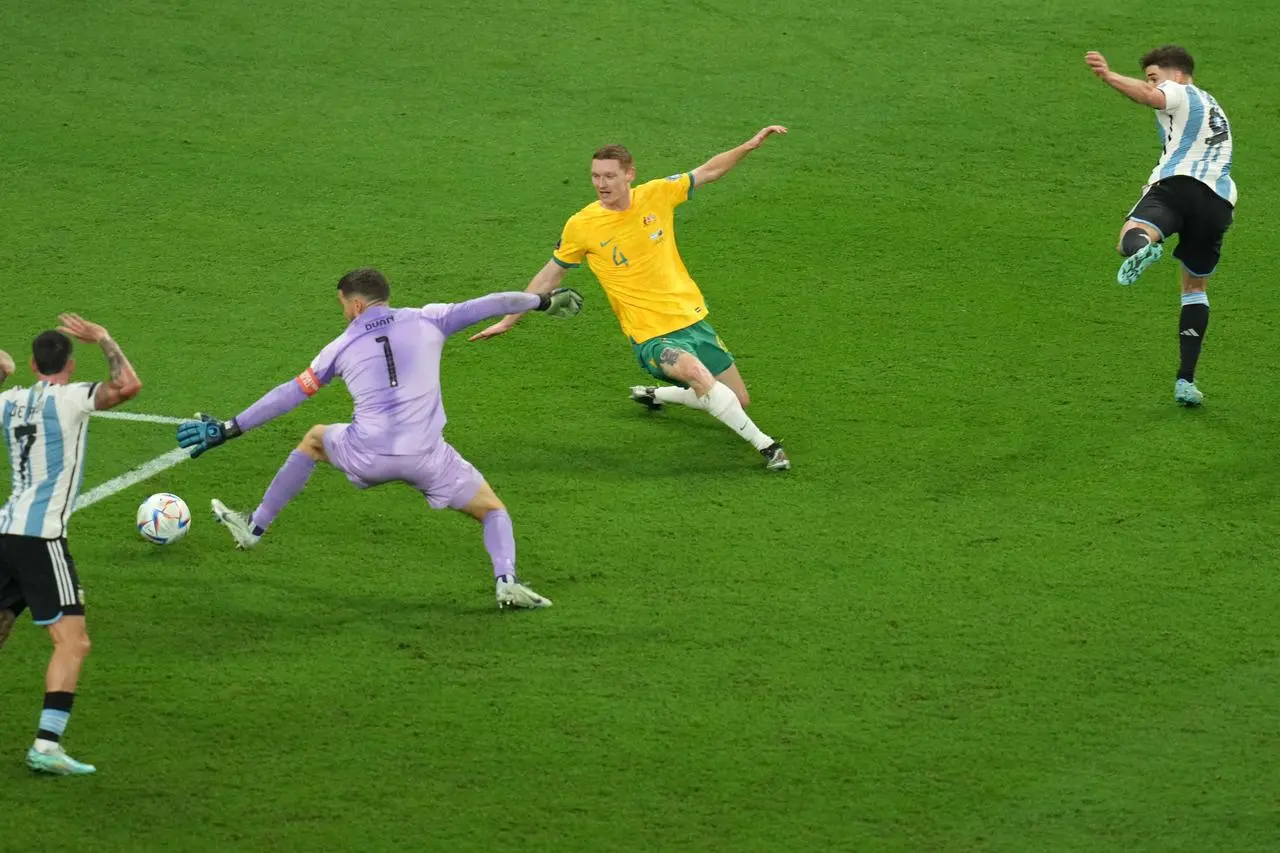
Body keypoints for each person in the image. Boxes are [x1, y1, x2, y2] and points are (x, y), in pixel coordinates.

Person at [177, 269, 582, 609]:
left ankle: (255, 527)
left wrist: (231, 427)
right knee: (493, 510)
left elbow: (289, 393)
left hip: (366, 453)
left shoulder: (339, 346)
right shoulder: (431, 318)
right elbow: (496, 302)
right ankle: (506, 581)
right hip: (428, 457)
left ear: (354, 305)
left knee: (316, 439)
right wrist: (543, 302)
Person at [470, 127, 793, 469]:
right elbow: (550, 274)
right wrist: (510, 319)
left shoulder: (657, 194)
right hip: (651, 335)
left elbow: (709, 170)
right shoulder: (582, 225)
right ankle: (768, 447)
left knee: (737, 400)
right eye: (595, 176)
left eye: (609, 175)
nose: (601, 184)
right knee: (699, 376)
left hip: (692, 319)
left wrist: (750, 145)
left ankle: (655, 394)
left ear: (629, 174)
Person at [0, 316, 143, 775]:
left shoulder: (10, 402)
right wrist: (104, 337)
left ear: (32, 363)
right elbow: (127, 386)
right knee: (73, 642)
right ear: (70, 362)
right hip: (41, 539)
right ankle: (46, 745)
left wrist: (3, 370)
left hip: (5, 531)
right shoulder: (73, 398)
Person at [1085, 45, 1236, 407]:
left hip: (1178, 186)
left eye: (1155, 75)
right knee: (1194, 287)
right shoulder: (1214, 108)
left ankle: (1145, 247)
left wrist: (1109, 77)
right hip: (1218, 203)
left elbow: (1149, 96)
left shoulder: (1180, 91)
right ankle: (1186, 380)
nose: (1151, 83)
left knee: (1128, 238)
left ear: (1178, 74)